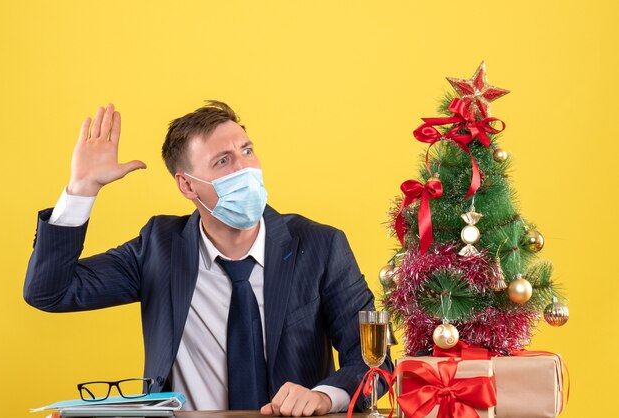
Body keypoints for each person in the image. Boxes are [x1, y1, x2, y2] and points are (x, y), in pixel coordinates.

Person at [24, 102, 392, 415]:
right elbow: (50, 293)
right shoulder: (159, 248)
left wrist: (323, 397)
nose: (244, 169)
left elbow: (376, 364)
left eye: (247, 151)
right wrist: (81, 190)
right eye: (223, 161)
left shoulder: (321, 246)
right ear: (187, 185)